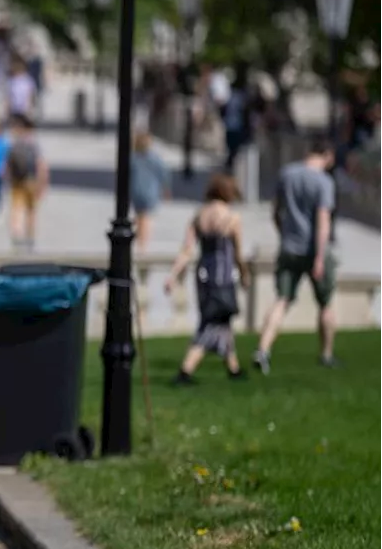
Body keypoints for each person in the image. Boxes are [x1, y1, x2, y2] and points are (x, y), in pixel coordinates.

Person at [253, 137, 339, 375]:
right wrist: (320, 257)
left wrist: (284, 235)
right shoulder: (324, 182)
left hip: (289, 247)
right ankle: (327, 354)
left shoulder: (287, 174)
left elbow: (275, 211)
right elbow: (323, 222)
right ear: (328, 155)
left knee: (282, 299)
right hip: (313, 250)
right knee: (325, 304)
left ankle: (263, 349)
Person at [163, 173, 250, 385]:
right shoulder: (231, 218)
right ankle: (186, 369)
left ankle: (233, 368)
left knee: (221, 320)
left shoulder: (199, 216)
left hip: (203, 276)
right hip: (223, 275)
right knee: (212, 322)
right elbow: (237, 253)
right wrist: (245, 274)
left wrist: (173, 275)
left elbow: (186, 250)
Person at [5, 113, 49, 251]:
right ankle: (30, 237)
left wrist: (7, 177)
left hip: (17, 180)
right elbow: (41, 164)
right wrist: (43, 183)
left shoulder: (15, 143)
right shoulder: (33, 144)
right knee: (31, 210)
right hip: (31, 179)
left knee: (16, 208)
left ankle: (16, 235)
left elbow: (8, 162)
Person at [130, 130, 171, 253]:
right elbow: (164, 174)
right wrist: (166, 189)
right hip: (151, 192)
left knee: (138, 216)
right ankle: (143, 244)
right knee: (146, 218)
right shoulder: (155, 158)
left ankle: (138, 238)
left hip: (136, 191)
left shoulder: (133, 158)